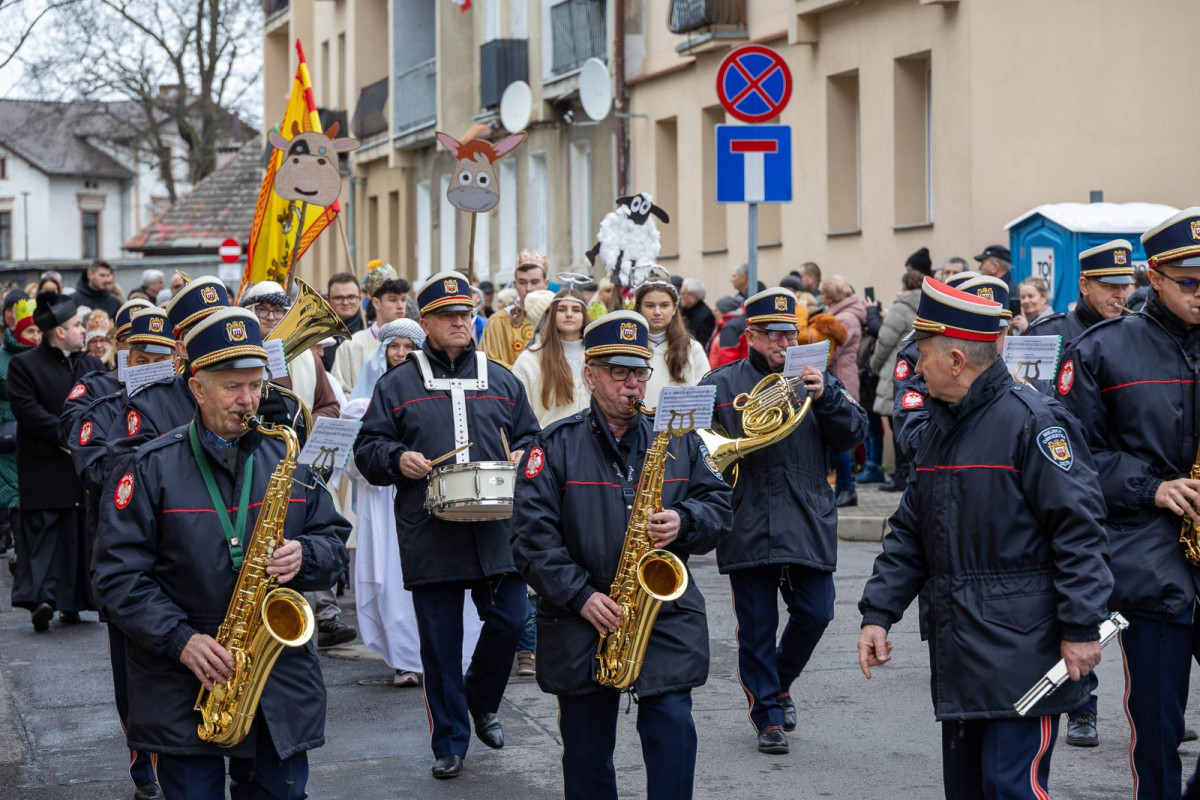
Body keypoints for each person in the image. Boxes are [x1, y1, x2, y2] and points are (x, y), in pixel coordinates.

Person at [857, 275, 1112, 800]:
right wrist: (878, 614)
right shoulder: (939, 426)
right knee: (970, 789)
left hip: (1026, 649)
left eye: (923, 355)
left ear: (955, 360)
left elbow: (1080, 532)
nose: (915, 369)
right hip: (963, 649)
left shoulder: (1034, 422)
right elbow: (911, 529)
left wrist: (1082, 627)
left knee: (1012, 788)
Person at [92, 307, 350, 800]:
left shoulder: (287, 456)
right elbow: (116, 576)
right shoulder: (148, 467)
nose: (248, 400)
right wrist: (181, 640)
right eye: (232, 386)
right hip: (180, 677)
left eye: (255, 385)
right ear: (197, 387)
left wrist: (305, 555)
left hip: (276, 677)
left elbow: (334, 540)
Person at [511, 310, 733, 800]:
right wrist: (581, 596)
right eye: (618, 372)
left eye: (639, 373)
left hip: (663, 614)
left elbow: (719, 506)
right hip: (581, 618)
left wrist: (685, 521)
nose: (632, 385)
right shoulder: (554, 446)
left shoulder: (678, 439)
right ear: (589, 373)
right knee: (587, 756)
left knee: (674, 732)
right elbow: (531, 541)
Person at [354, 270, 540, 779]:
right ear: (426, 322)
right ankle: (450, 741)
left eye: (466, 314)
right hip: (429, 528)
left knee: (510, 618)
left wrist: (524, 452)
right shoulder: (397, 384)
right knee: (438, 644)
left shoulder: (502, 378)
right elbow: (367, 450)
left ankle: (481, 698)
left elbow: (531, 439)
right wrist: (398, 459)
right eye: (448, 316)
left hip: (498, 528)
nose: (460, 322)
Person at [1057, 208, 1200, 798]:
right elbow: (1072, 457)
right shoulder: (1100, 350)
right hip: (1151, 560)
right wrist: (1154, 487)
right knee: (1159, 730)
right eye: (1190, 281)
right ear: (1154, 277)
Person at [699, 288, 868, 755]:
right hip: (746, 514)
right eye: (772, 335)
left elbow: (854, 434)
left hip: (806, 512)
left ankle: (779, 682)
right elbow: (692, 446)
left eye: (788, 334)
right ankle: (768, 717)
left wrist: (828, 395)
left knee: (817, 612)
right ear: (750, 335)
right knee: (755, 627)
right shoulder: (720, 383)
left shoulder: (820, 380)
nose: (782, 343)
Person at [68, 305, 176, 800]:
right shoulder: (97, 399)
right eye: (140, 354)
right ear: (121, 352)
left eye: (160, 355)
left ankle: (187, 756)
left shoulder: (185, 396)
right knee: (134, 669)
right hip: (126, 552)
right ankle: (145, 767)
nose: (149, 362)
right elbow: (95, 475)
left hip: (182, 550)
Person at [344, 318, 484, 687]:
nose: (401, 354)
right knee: (392, 583)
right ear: (383, 352)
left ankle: (454, 658)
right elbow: (355, 461)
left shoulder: (438, 390)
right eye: (395, 347)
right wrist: (393, 461)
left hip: (428, 503)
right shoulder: (360, 404)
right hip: (382, 504)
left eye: (409, 347)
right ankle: (405, 658)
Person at [240, 280, 350, 647]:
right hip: (251, 460)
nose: (270, 317)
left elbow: (329, 404)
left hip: (297, 458)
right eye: (261, 309)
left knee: (310, 534)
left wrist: (305, 423)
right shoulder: (238, 351)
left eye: (276, 310)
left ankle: (325, 615)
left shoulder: (306, 355)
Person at [8, 291, 103, 630]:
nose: (83, 331)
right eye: (77, 325)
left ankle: (73, 602)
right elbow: (27, 411)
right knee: (45, 535)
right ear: (60, 332)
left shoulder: (88, 364)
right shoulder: (24, 364)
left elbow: (102, 404)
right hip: (44, 465)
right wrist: (67, 434)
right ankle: (42, 601)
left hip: (79, 466)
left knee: (76, 535)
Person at [868, 269, 923, 491]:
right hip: (918, 369)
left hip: (897, 371)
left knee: (897, 425)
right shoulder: (927, 305)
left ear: (904, 285)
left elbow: (884, 341)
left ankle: (901, 476)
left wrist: (874, 365)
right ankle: (911, 473)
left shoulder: (900, 308)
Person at [511, 287, 590, 426]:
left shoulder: (598, 356)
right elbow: (520, 411)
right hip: (549, 443)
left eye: (576, 310)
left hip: (592, 442)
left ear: (584, 315)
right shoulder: (530, 360)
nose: (569, 314)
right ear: (552, 314)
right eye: (562, 309)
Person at [820, 276, 867, 507]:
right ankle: (842, 488)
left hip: (842, 378)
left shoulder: (845, 318)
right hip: (841, 376)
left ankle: (847, 489)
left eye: (824, 294)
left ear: (830, 296)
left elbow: (832, 353)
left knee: (840, 437)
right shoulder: (843, 314)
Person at [1028, 241, 1133, 343]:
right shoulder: (1049, 333)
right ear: (1084, 286)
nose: (1120, 295)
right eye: (1111, 286)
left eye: (1125, 286)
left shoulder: (1134, 332)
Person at [330, 264, 409, 394]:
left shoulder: (416, 343)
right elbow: (339, 391)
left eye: (403, 299)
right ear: (376, 303)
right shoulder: (353, 345)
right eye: (392, 300)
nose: (400, 306)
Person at [636, 272, 710, 406]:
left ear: (675, 308)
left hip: (680, 425)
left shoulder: (692, 348)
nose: (657, 312)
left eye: (664, 305)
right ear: (639, 308)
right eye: (650, 305)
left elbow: (704, 393)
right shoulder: (629, 348)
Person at [0, 291, 31, 560]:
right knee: (15, 498)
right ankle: (22, 555)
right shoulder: (1, 357)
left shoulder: (44, 354)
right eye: (8, 308)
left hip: (38, 434)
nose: (12, 313)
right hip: (8, 438)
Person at [481, 250, 548, 366]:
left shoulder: (557, 318)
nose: (529, 288)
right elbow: (488, 362)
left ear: (545, 284)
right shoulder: (498, 321)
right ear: (515, 284)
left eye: (535, 282)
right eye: (522, 282)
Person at [321, 271, 366, 371]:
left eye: (351, 297)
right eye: (338, 298)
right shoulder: (317, 337)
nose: (345, 302)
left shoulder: (372, 333)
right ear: (328, 300)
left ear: (359, 299)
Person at [679, 277, 715, 346]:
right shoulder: (683, 311)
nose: (680, 297)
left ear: (693, 297)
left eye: (683, 294)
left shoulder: (705, 316)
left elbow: (702, 342)